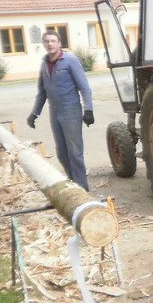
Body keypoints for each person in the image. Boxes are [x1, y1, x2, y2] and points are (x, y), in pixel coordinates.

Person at [27, 30, 94, 191]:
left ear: (59, 43)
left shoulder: (70, 60)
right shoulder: (44, 64)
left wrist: (88, 109)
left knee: (75, 153)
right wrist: (34, 113)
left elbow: (84, 88)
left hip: (70, 110)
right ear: (44, 45)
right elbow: (42, 92)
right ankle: (73, 183)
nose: (50, 44)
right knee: (62, 154)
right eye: (46, 41)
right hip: (54, 112)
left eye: (53, 41)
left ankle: (82, 189)